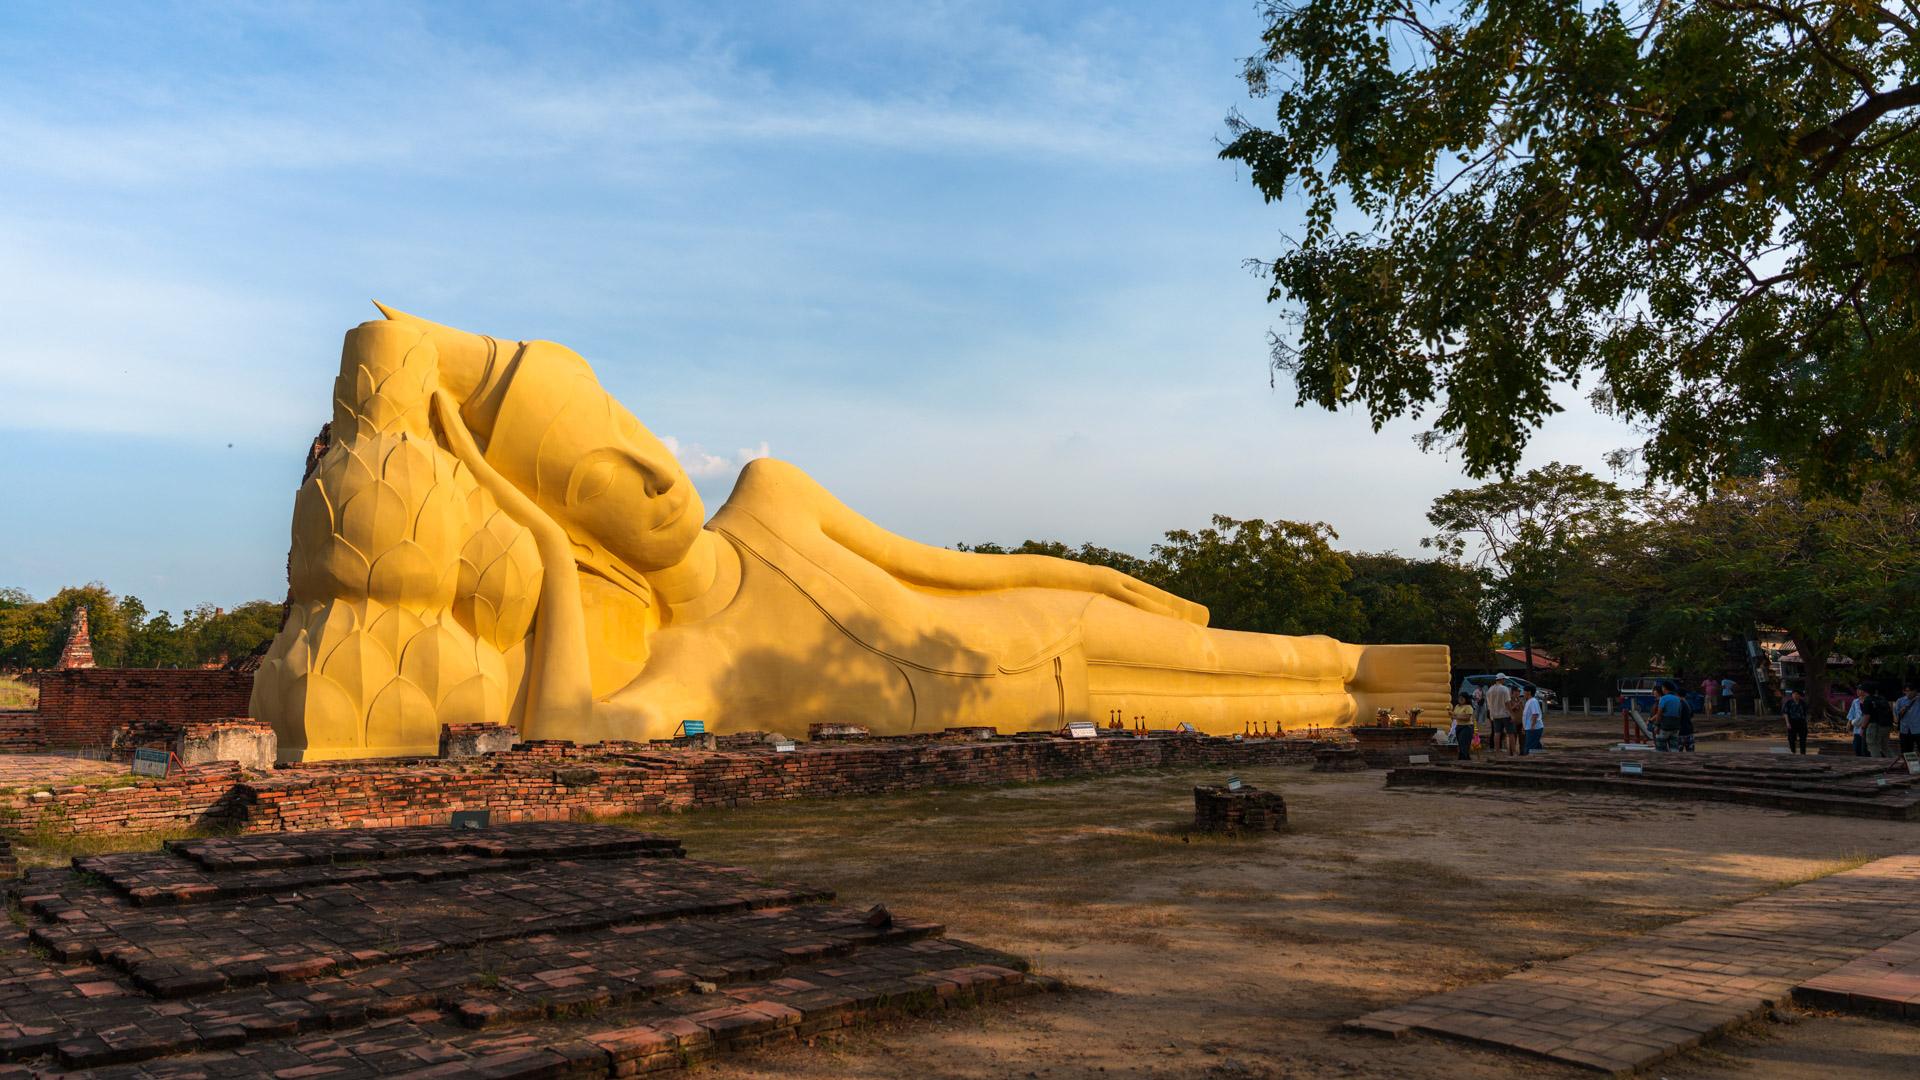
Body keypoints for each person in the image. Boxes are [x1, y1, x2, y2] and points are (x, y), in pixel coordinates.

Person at [1863, 684, 1896, 759]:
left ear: (1865, 691)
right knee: (1885, 746)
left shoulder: (1868, 700)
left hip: (1874, 726)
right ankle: (1894, 761)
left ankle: (1877, 763)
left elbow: (1867, 716)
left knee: (1873, 745)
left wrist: (1862, 728)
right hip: (1885, 725)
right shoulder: (1882, 699)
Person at [1484, 677, 1513, 756]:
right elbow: (1507, 702)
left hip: (1495, 715)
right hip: (1505, 714)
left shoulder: (1490, 690)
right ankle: (1513, 752)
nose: (1504, 681)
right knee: (1511, 733)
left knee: (1497, 733)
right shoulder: (1504, 689)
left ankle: (1497, 751)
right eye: (1504, 679)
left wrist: (1491, 715)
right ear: (1501, 679)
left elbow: (1489, 705)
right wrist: (1511, 714)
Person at [1655, 682, 1688, 752]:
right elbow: (1679, 712)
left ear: (1664, 688)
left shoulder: (1663, 698)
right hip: (1676, 726)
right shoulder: (1677, 699)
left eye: (1662, 688)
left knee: (1660, 747)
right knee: (1674, 747)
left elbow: (1659, 713)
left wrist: (1657, 725)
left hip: (1665, 725)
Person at [1451, 692, 1476, 761]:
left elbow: (1467, 718)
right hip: (1459, 726)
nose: (1460, 699)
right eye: (1459, 698)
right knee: (1460, 743)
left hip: (1467, 727)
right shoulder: (1457, 706)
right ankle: (1465, 758)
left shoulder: (1468, 707)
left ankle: (1463, 758)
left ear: (1466, 699)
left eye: (1462, 698)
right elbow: (1453, 715)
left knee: (1464, 743)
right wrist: (1452, 715)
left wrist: (1456, 716)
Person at [1783, 689, 1809, 754]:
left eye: (1797, 694)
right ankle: (1793, 751)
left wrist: (1806, 722)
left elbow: (1806, 713)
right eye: (1794, 694)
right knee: (1791, 738)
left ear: (1799, 696)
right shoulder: (1789, 703)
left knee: (1803, 738)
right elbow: (1785, 713)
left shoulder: (1803, 703)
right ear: (1792, 695)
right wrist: (1787, 723)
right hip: (1792, 722)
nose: (1795, 695)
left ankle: (1803, 753)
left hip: (1801, 722)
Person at [1898, 684, 1920, 758]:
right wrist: (1902, 711)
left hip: (1918, 729)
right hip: (1905, 729)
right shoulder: (1900, 700)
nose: (1908, 693)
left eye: (1911, 691)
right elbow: (1897, 715)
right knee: (1906, 752)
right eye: (1906, 691)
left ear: (1915, 691)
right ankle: (1910, 768)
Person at [1521, 687, 1545, 754]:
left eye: (1524, 691)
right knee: (1536, 745)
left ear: (1529, 692)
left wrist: (1532, 726)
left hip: (1534, 728)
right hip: (1529, 727)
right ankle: (1540, 758)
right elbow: (1526, 716)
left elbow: (1535, 714)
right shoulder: (1529, 701)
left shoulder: (1533, 701)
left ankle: (1528, 760)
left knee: (1529, 747)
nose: (1523, 693)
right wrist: (1524, 727)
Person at [1506, 683, 1527, 756]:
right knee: (1513, 738)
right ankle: (1512, 752)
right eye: (1517, 691)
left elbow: (1523, 710)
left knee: (1522, 738)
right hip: (1513, 722)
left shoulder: (1519, 699)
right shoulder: (1509, 700)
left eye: (1519, 691)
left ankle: (1522, 752)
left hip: (1521, 722)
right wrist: (1515, 706)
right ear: (1513, 692)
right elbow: (1508, 710)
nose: (1518, 692)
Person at [1849, 687, 1868, 756]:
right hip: (1857, 728)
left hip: (1866, 728)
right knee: (1856, 747)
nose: (1857, 691)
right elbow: (1851, 713)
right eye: (1857, 690)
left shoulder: (1868, 701)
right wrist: (1849, 723)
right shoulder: (1855, 701)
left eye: (1860, 690)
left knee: (1865, 748)